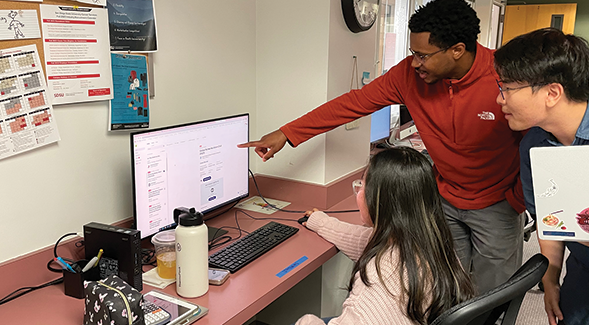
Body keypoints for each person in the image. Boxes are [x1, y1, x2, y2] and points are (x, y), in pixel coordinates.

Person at [240, 0, 525, 293]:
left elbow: (537, 140)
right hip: (445, 199)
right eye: (413, 53)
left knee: (494, 292)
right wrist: (287, 134)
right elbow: (353, 104)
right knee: (445, 287)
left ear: (457, 50)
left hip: (497, 204)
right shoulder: (408, 76)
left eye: (423, 55)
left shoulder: (506, 76)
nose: (415, 63)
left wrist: (517, 198)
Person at [295, 147, 475, 325]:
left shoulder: (379, 281)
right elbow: (364, 239)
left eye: (362, 186)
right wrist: (321, 223)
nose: (358, 193)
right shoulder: (431, 242)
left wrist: (306, 321)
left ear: (379, 200)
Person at [494, 28, 589, 325]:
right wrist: (550, 278)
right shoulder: (534, 145)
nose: (500, 100)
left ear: (551, 93)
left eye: (507, 88)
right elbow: (551, 222)